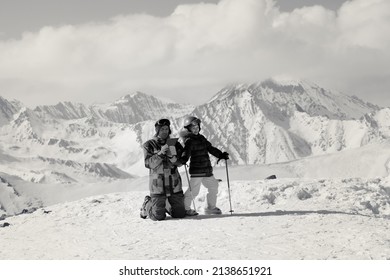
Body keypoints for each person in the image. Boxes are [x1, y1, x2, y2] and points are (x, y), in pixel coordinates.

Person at [179, 116, 229, 216]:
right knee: (194, 191)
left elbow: (210, 148)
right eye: (193, 128)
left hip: (206, 170)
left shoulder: (201, 138)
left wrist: (220, 155)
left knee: (214, 186)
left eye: (197, 127)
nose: (196, 129)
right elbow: (186, 152)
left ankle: (210, 208)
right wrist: (184, 159)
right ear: (188, 129)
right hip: (197, 171)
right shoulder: (189, 140)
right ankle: (185, 209)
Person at [140, 118, 186, 221]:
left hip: (174, 183)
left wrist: (174, 159)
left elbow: (181, 162)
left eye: (166, 129)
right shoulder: (149, 145)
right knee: (158, 217)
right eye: (162, 129)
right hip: (158, 185)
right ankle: (147, 203)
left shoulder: (175, 143)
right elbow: (148, 163)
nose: (165, 131)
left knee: (180, 214)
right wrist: (160, 154)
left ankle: (166, 205)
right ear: (157, 131)